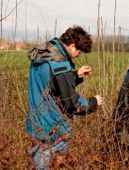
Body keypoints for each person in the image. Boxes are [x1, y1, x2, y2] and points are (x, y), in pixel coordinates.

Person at [26, 25, 103, 169]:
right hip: (53, 127)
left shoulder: (43, 54)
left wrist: (75, 75)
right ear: (72, 45)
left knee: (35, 162)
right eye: (79, 51)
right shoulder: (60, 63)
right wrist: (93, 102)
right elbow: (72, 103)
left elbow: (51, 85)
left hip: (36, 122)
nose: (79, 54)